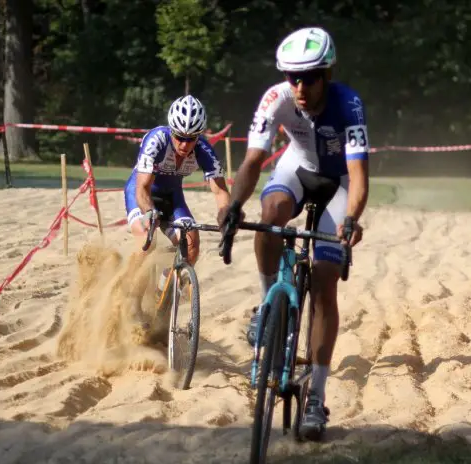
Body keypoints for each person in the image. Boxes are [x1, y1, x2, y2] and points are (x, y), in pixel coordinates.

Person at [217, 27, 369, 440]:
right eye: (292, 78)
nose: (300, 87)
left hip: (336, 183)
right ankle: (269, 301)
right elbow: (253, 160)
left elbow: (357, 176)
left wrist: (351, 219)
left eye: (309, 78)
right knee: (270, 212)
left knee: (323, 282)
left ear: (327, 74)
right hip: (297, 170)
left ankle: (316, 397)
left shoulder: (348, 104)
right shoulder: (277, 99)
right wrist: (233, 206)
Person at [124, 95, 230, 294]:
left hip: (172, 196)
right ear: (171, 130)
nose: (185, 144)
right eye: (180, 137)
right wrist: (149, 212)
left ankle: (162, 292)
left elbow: (220, 190)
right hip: (143, 195)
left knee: (191, 245)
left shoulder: (204, 149)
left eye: (191, 138)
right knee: (148, 242)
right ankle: (127, 293)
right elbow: (142, 188)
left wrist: (227, 217)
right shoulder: (156, 140)